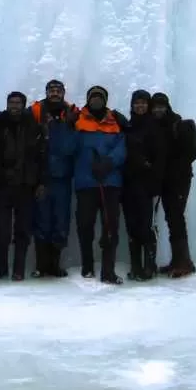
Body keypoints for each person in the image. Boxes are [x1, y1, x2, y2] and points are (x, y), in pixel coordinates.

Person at [72, 85, 126, 284]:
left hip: (109, 182)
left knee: (110, 227)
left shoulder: (116, 121)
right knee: (85, 225)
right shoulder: (78, 120)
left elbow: (122, 146)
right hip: (86, 183)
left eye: (99, 97)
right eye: (92, 97)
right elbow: (70, 147)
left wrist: (110, 162)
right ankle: (87, 265)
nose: (96, 100)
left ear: (105, 100)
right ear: (88, 100)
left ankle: (108, 270)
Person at [0, 91, 46, 281]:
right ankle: (2, 267)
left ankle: (18, 269)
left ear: (23, 105)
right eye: (11, 102)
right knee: (1, 229)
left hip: (25, 184)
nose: (14, 106)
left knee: (23, 229)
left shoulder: (33, 126)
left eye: (18, 103)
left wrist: (40, 182)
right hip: (3, 185)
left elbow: (40, 157)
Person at [151, 91, 196, 277]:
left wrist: (177, 169)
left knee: (176, 218)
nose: (157, 110)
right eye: (155, 106)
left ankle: (184, 262)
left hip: (178, 181)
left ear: (167, 107)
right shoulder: (156, 127)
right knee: (173, 218)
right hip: (166, 180)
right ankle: (178, 260)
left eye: (161, 106)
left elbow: (191, 153)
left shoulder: (177, 125)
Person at [31, 81, 76, 277]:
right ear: (46, 92)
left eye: (58, 91)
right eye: (51, 90)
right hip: (42, 176)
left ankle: (54, 264)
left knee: (60, 221)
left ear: (63, 93)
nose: (55, 94)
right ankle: (41, 265)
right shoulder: (35, 112)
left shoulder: (72, 113)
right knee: (42, 220)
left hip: (62, 177)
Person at [121, 88, 167, 282]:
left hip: (147, 185)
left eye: (143, 103)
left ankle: (149, 266)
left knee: (146, 226)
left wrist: (154, 181)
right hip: (129, 184)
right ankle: (136, 266)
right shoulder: (129, 126)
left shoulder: (154, 127)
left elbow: (160, 158)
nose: (139, 106)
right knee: (132, 226)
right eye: (136, 103)